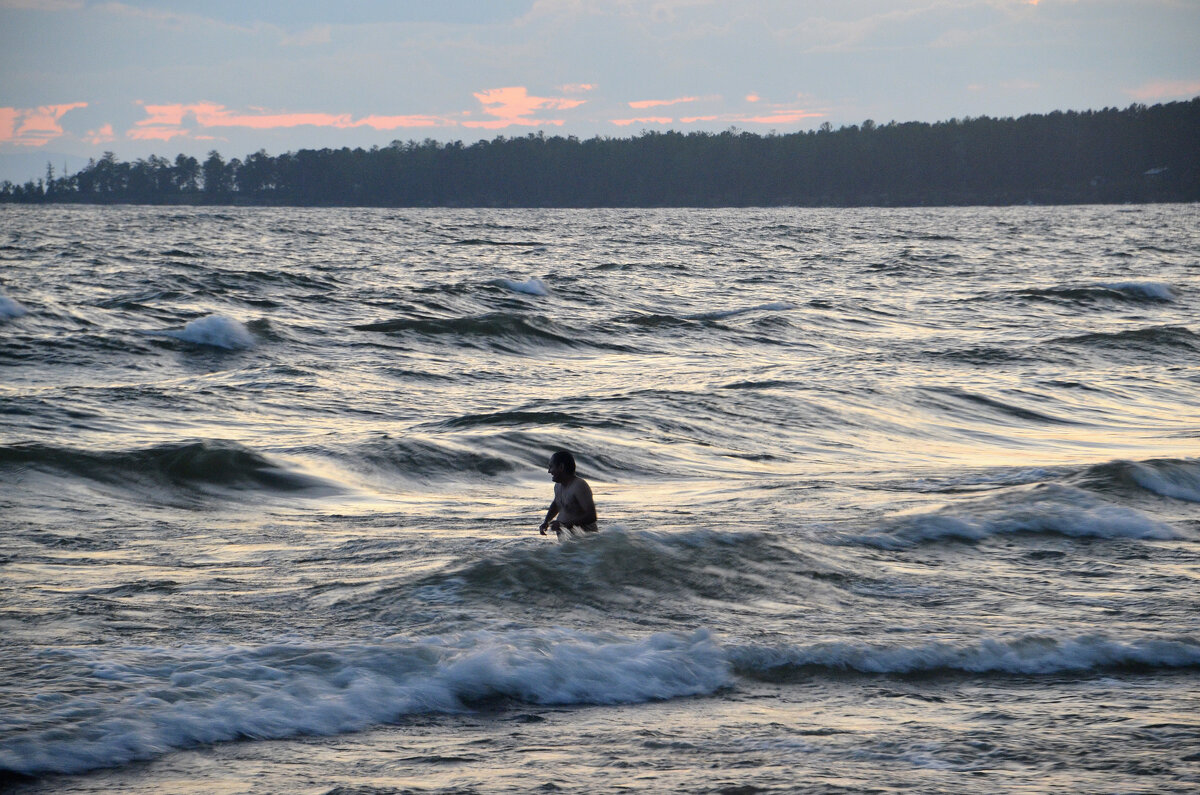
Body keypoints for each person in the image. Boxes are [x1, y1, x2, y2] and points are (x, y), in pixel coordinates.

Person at [538, 450, 598, 539]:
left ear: (561, 467)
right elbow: (556, 503)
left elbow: (591, 516)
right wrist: (546, 521)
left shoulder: (579, 486)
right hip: (570, 544)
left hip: (586, 542)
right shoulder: (558, 486)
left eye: (551, 467)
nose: (549, 471)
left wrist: (564, 525)